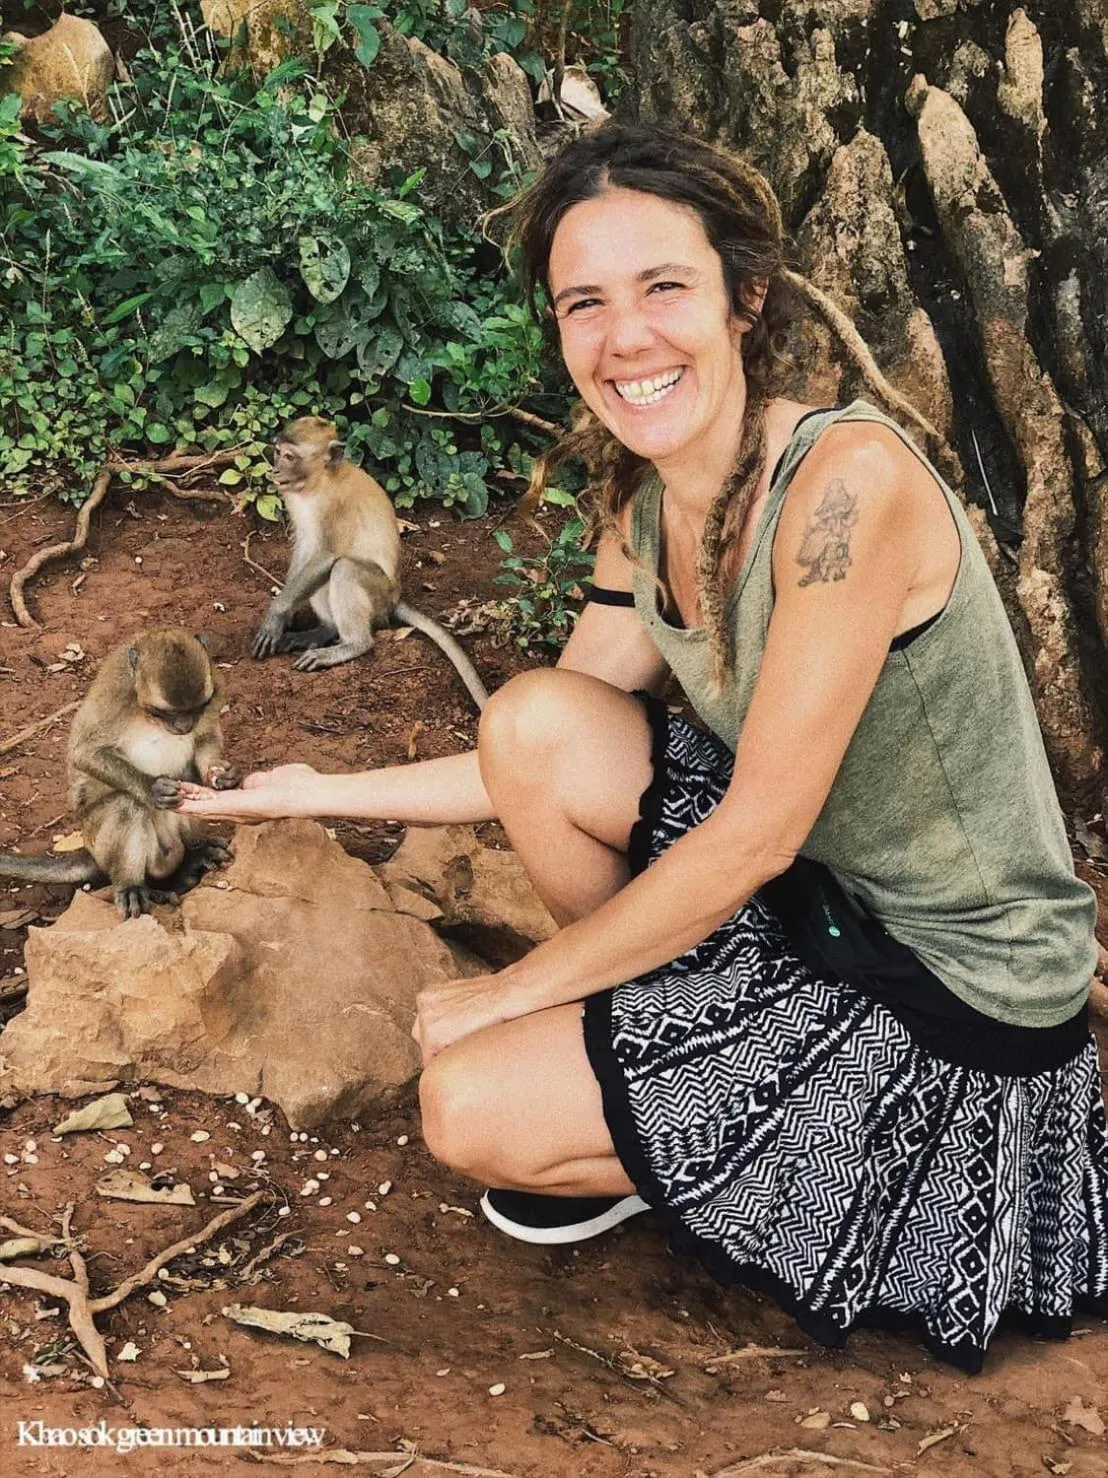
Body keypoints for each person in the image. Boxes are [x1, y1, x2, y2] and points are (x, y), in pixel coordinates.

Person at [179, 123, 1108, 1372]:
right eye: (584, 303)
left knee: (468, 1106)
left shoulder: (844, 484)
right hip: (824, 901)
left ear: (746, 298)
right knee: (532, 714)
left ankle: (722, 1131)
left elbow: (760, 826)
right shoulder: (644, 500)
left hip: (952, 982)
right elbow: (532, 753)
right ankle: (667, 1079)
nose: (625, 339)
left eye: (663, 286)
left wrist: (515, 992)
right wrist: (308, 791)